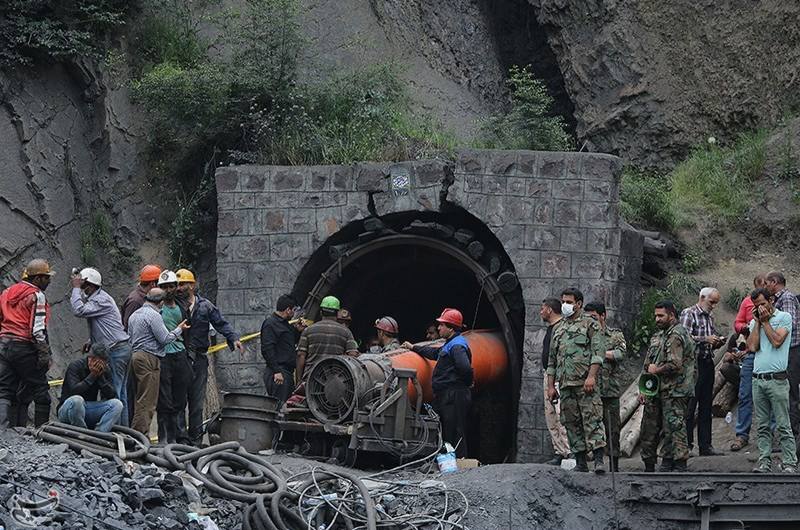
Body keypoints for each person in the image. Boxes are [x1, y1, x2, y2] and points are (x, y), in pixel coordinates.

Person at [175, 268, 243, 446]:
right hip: (180, 359)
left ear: (192, 285)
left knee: (196, 402)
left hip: (199, 358)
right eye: (178, 284)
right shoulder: (173, 306)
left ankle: (195, 441)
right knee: (179, 401)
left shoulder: (205, 306)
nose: (179, 288)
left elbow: (221, 323)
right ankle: (181, 441)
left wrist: (233, 338)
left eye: (183, 284)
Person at [545, 288, 606, 473]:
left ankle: (598, 461)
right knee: (570, 422)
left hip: (585, 384)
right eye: (563, 301)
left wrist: (591, 377)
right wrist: (550, 386)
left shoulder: (590, 324)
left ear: (578, 304)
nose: (565, 305)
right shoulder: (559, 328)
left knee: (592, 420)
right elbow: (552, 361)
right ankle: (580, 462)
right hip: (565, 385)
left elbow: (598, 353)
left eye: (569, 302)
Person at [402, 308, 473, 457]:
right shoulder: (450, 343)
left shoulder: (457, 346)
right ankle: (446, 460)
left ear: (451, 328)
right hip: (447, 395)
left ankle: (459, 463)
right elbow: (434, 353)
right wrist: (413, 347)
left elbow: (465, 368)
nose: (439, 328)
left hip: (454, 395)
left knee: (455, 430)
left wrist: (466, 382)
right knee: (445, 428)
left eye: (442, 325)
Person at [70, 267, 132, 426]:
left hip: (115, 350)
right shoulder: (99, 299)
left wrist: (76, 288)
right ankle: (123, 431)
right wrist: (92, 340)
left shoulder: (101, 299)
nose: (83, 290)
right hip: (118, 348)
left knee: (114, 393)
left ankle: (117, 432)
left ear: (90, 286)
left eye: (84, 286)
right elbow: (105, 325)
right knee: (120, 393)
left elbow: (79, 310)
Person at [639, 300, 696, 472]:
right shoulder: (659, 336)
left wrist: (657, 369)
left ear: (671, 315)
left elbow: (675, 365)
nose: (657, 319)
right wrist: (643, 388)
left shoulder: (676, 335)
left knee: (674, 427)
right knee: (649, 428)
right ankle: (652, 464)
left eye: (661, 315)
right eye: (655, 315)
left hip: (675, 390)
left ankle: (678, 464)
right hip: (655, 390)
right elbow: (647, 364)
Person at [0, 259, 55, 429]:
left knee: (4, 391)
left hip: (3, 345)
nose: (49, 281)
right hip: (23, 346)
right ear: (37, 278)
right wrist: (44, 353)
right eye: (46, 277)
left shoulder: (7, 292)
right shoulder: (37, 295)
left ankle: (2, 432)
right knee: (41, 392)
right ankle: (42, 433)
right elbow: (37, 330)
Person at [747, 287, 797, 473]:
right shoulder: (756, 322)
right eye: (756, 305)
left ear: (771, 300)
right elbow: (752, 347)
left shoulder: (784, 317)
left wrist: (766, 321)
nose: (759, 308)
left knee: (783, 424)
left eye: (762, 304)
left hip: (777, 380)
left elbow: (777, 342)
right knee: (762, 425)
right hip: (758, 379)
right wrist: (758, 323)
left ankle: (790, 462)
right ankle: (764, 462)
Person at [127, 287, 189, 435]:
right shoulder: (153, 316)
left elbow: (129, 338)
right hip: (149, 358)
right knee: (147, 401)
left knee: (139, 397)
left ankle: (138, 435)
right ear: (160, 302)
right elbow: (165, 339)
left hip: (135, 356)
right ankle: (139, 436)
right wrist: (179, 329)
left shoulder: (135, 315)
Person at [681, 287, 726, 456]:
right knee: (690, 405)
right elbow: (683, 338)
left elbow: (709, 337)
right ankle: (687, 445)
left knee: (706, 405)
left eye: (715, 303)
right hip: (693, 364)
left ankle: (705, 445)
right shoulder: (689, 313)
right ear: (702, 297)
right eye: (711, 302)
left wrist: (716, 342)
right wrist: (705, 339)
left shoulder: (709, 317)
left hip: (707, 362)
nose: (714, 306)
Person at [584, 301, 627, 472]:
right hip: (591, 391)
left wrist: (599, 354)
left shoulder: (614, 335)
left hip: (610, 391)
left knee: (613, 430)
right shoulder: (585, 335)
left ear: (603, 316)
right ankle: (598, 462)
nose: (591, 321)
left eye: (594, 317)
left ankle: (614, 466)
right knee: (594, 427)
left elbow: (620, 353)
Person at [155, 271, 192, 444]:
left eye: (170, 286)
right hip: (163, 356)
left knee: (180, 397)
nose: (168, 290)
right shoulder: (155, 309)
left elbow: (189, 332)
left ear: (176, 287)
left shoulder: (182, 307)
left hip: (180, 353)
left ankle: (181, 436)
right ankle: (165, 437)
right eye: (164, 287)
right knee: (164, 399)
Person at [765, 271, 800, 441]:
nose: (765, 286)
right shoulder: (779, 299)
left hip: (791, 351)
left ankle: (792, 437)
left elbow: (789, 324)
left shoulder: (786, 298)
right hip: (785, 352)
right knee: (784, 393)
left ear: (774, 282)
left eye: (767, 283)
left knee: (790, 393)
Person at [57, 344, 123, 432]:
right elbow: (74, 391)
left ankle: (99, 434)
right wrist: (92, 376)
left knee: (117, 404)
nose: (99, 365)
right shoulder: (75, 366)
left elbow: (111, 395)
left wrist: (101, 378)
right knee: (77, 400)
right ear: (90, 358)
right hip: (68, 409)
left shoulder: (105, 370)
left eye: (102, 363)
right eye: (97, 362)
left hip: (88, 409)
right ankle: (82, 433)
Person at [296, 296, 358, 381]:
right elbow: (353, 356)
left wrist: (299, 380)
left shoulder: (308, 330)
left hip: (311, 379)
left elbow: (301, 355)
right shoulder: (346, 332)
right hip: (336, 380)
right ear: (337, 314)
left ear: (321, 312)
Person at [539, 298, 571, 466]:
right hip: (549, 375)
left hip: (559, 376)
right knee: (550, 415)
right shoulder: (551, 328)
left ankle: (568, 452)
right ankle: (559, 451)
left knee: (560, 414)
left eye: (542, 308)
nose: (541, 312)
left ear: (550, 310)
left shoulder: (562, 328)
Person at [261, 294, 297, 404]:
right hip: (278, 372)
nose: (294, 313)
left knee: (285, 405)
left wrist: (298, 331)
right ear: (287, 310)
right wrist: (276, 371)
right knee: (279, 407)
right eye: (293, 310)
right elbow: (267, 349)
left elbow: (288, 343)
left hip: (287, 372)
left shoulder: (286, 325)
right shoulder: (270, 324)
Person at [121, 265, 162, 331]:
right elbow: (128, 326)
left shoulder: (146, 297)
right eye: (159, 284)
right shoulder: (135, 301)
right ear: (153, 284)